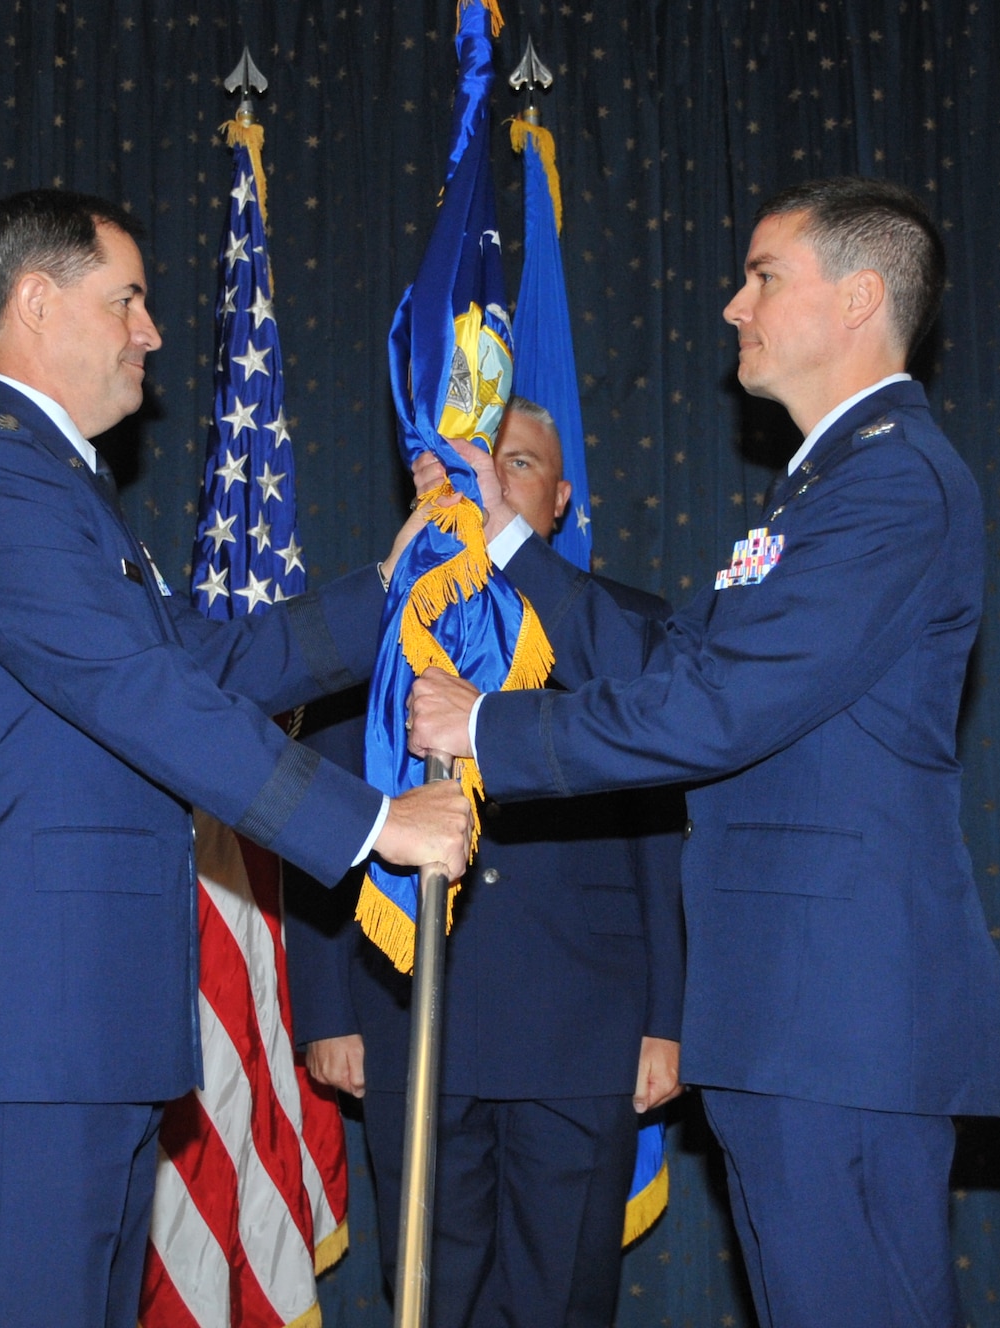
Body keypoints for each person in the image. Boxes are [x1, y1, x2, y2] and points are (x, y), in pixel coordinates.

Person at [406, 178, 1000, 1328]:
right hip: (790, 1011)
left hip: (836, 1019)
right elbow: (670, 654)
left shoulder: (889, 481)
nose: (733, 306)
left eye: (761, 277)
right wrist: (502, 536)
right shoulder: (821, 488)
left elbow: (719, 707)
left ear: (859, 297)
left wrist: (486, 725)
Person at [0, 188, 473, 1328]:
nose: (151, 332)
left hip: (81, 1025)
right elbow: (139, 692)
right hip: (27, 1032)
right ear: (37, 302)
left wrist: (388, 596)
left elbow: (202, 659)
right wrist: (371, 822)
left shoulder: (59, 490)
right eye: (129, 299)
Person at [285, 398, 686, 1326]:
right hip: (408, 1012)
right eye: (474, 461)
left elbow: (658, 843)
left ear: (558, 502)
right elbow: (321, 816)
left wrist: (667, 1018)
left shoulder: (623, 629)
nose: (492, 480)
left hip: (580, 1025)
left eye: (520, 463)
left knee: (563, 1302)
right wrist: (327, 1009)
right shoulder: (381, 621)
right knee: (431, 1297)